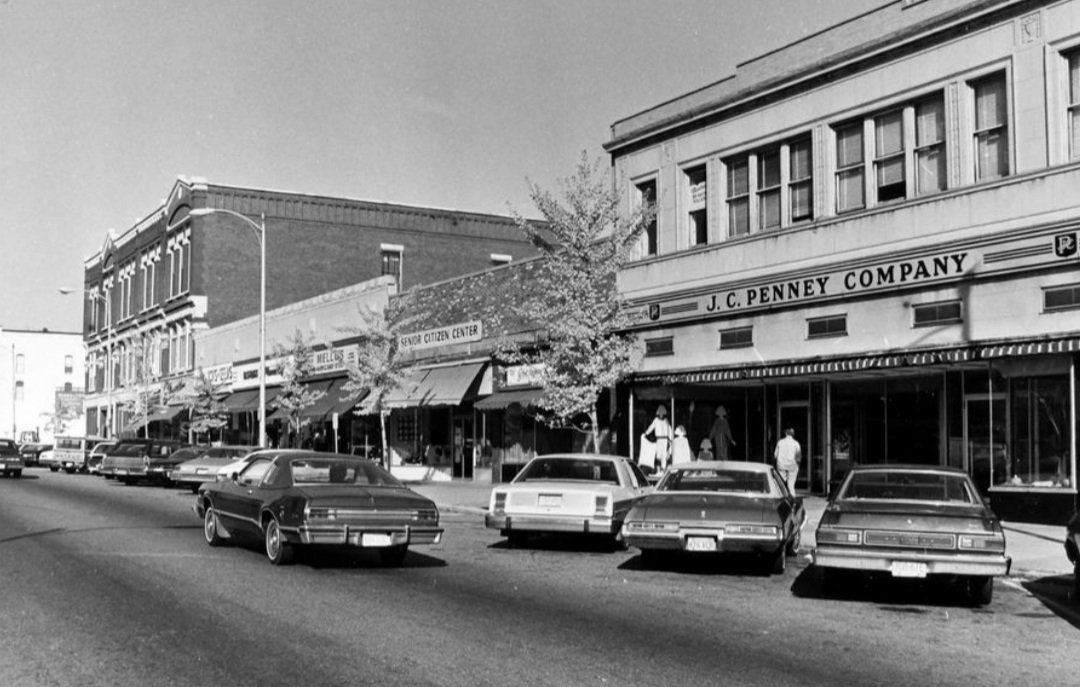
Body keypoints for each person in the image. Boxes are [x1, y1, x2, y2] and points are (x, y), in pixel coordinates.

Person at [644, 405, 673, 469]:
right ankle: (659, 470)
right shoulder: (656, 420)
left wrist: (671, 439)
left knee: (664, 455)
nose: (661, 414)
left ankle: (663, 469)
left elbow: (669, 429)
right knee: (658, 455)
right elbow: (651, 427)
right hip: (659, 440)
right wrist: (646, 433)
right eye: (660, 413)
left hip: (665, 440)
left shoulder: (666, 421)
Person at [774, 427, 802, 493]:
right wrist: (798, 467)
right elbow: (798, 458)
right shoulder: (796, 444)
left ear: (786, 433)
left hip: (781, 465)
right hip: (792, 465)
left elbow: (775, 455)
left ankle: (781, 497)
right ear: (793, 434)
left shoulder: (780, 442)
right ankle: (792, 498)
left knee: (781, 485)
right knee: (791, 485)